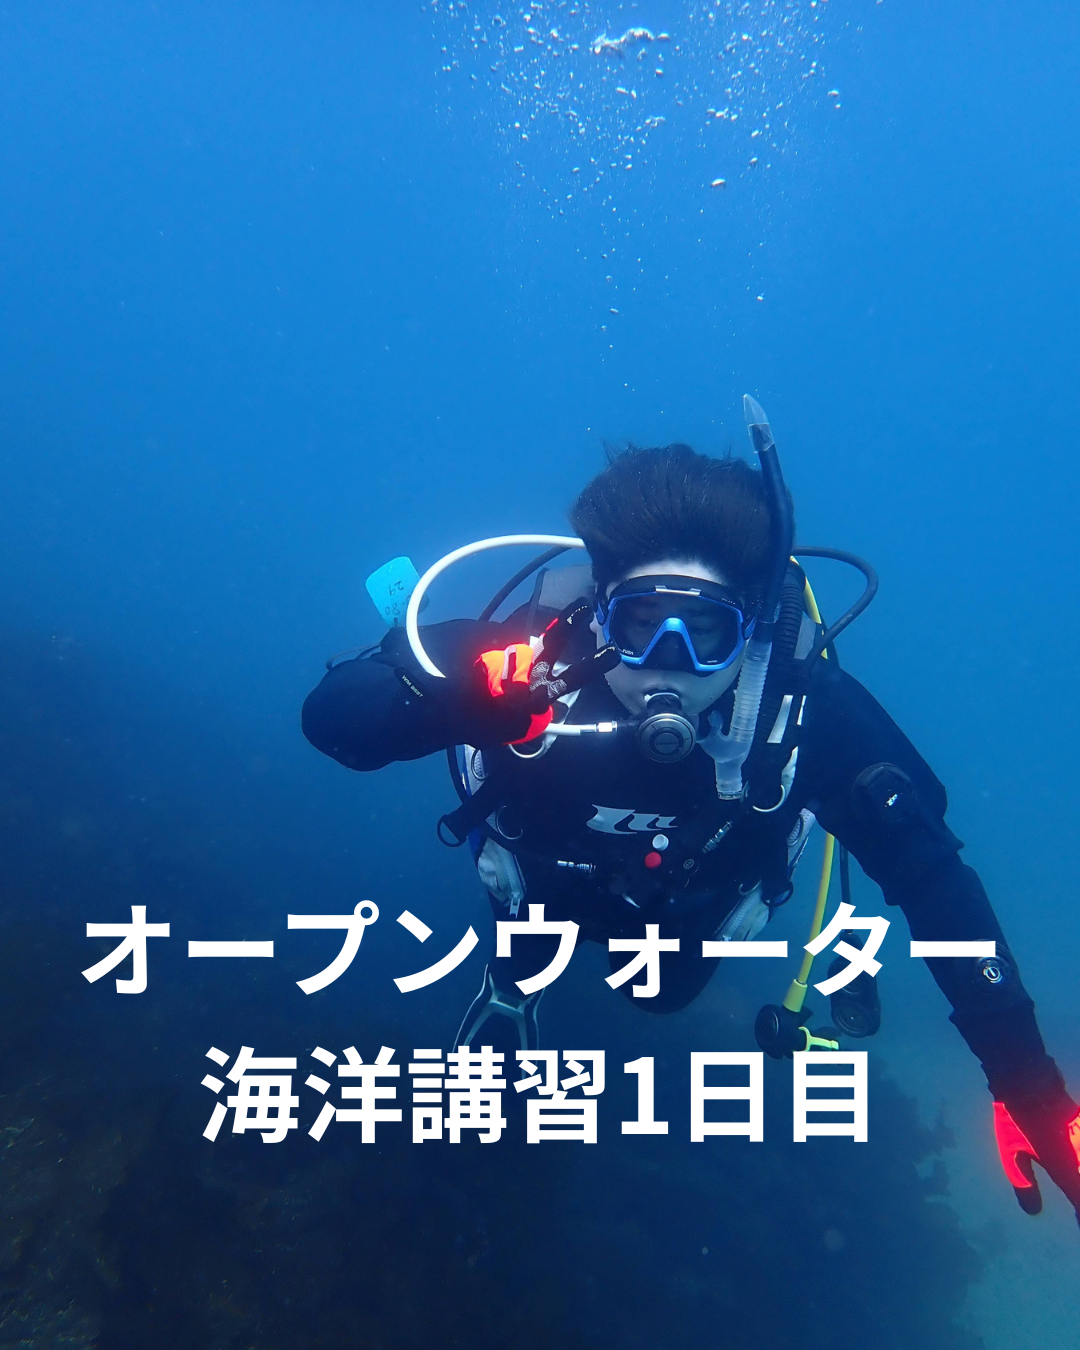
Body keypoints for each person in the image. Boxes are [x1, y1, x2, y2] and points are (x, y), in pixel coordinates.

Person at [302, 408, 1080, 1226]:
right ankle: (511, 991)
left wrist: (1025, 1083)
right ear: (599, 610)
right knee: (526, 938)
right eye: (641, 623)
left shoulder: (803, 707)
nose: (668, 662)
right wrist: (447, 704)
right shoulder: (529, 660)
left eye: (707, 631)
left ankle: (566, 972)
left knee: (660, 995)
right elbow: (333, 720)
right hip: (543, 872)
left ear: (752, 631)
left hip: (693, 897)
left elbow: (931, 877)